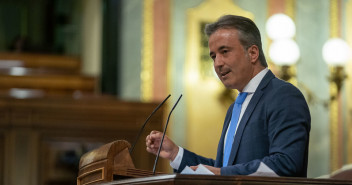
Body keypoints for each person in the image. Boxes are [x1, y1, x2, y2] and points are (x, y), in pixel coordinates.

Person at [146, 15, 311, 177]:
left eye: (224, 51)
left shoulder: (283, 95)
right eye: (213, 56)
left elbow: (286, 163)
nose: (217, 63)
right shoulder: (235, 107)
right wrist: (176, 154)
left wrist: (221, 172)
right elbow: (225, 168)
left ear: (253, 53)